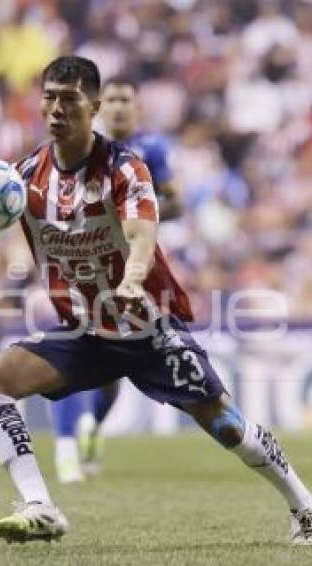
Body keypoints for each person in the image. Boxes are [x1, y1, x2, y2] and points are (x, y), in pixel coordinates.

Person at [0, 56, 312, 546]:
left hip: (146, 326)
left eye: (69, 99)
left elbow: (143, 232)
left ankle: (303, 503)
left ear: (93, 106)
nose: (56, 108)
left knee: (225, 424)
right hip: (84, 331)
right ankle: (40, 504)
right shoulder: (24, 175)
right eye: (49, 97)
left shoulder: (124, 167)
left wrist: (134, 277)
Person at [51, 74, 184, 482]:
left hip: (135, 269)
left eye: (127, 99)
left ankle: (90, 425)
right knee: (70, 345)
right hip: (85, 265)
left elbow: (176, 204)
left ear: (138, 107)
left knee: (114, 369)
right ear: (98, 106)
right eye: (112, 99)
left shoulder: (152, 151)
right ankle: (66, 448)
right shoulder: (83, 147)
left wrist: (139, 210)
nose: (120, 106)